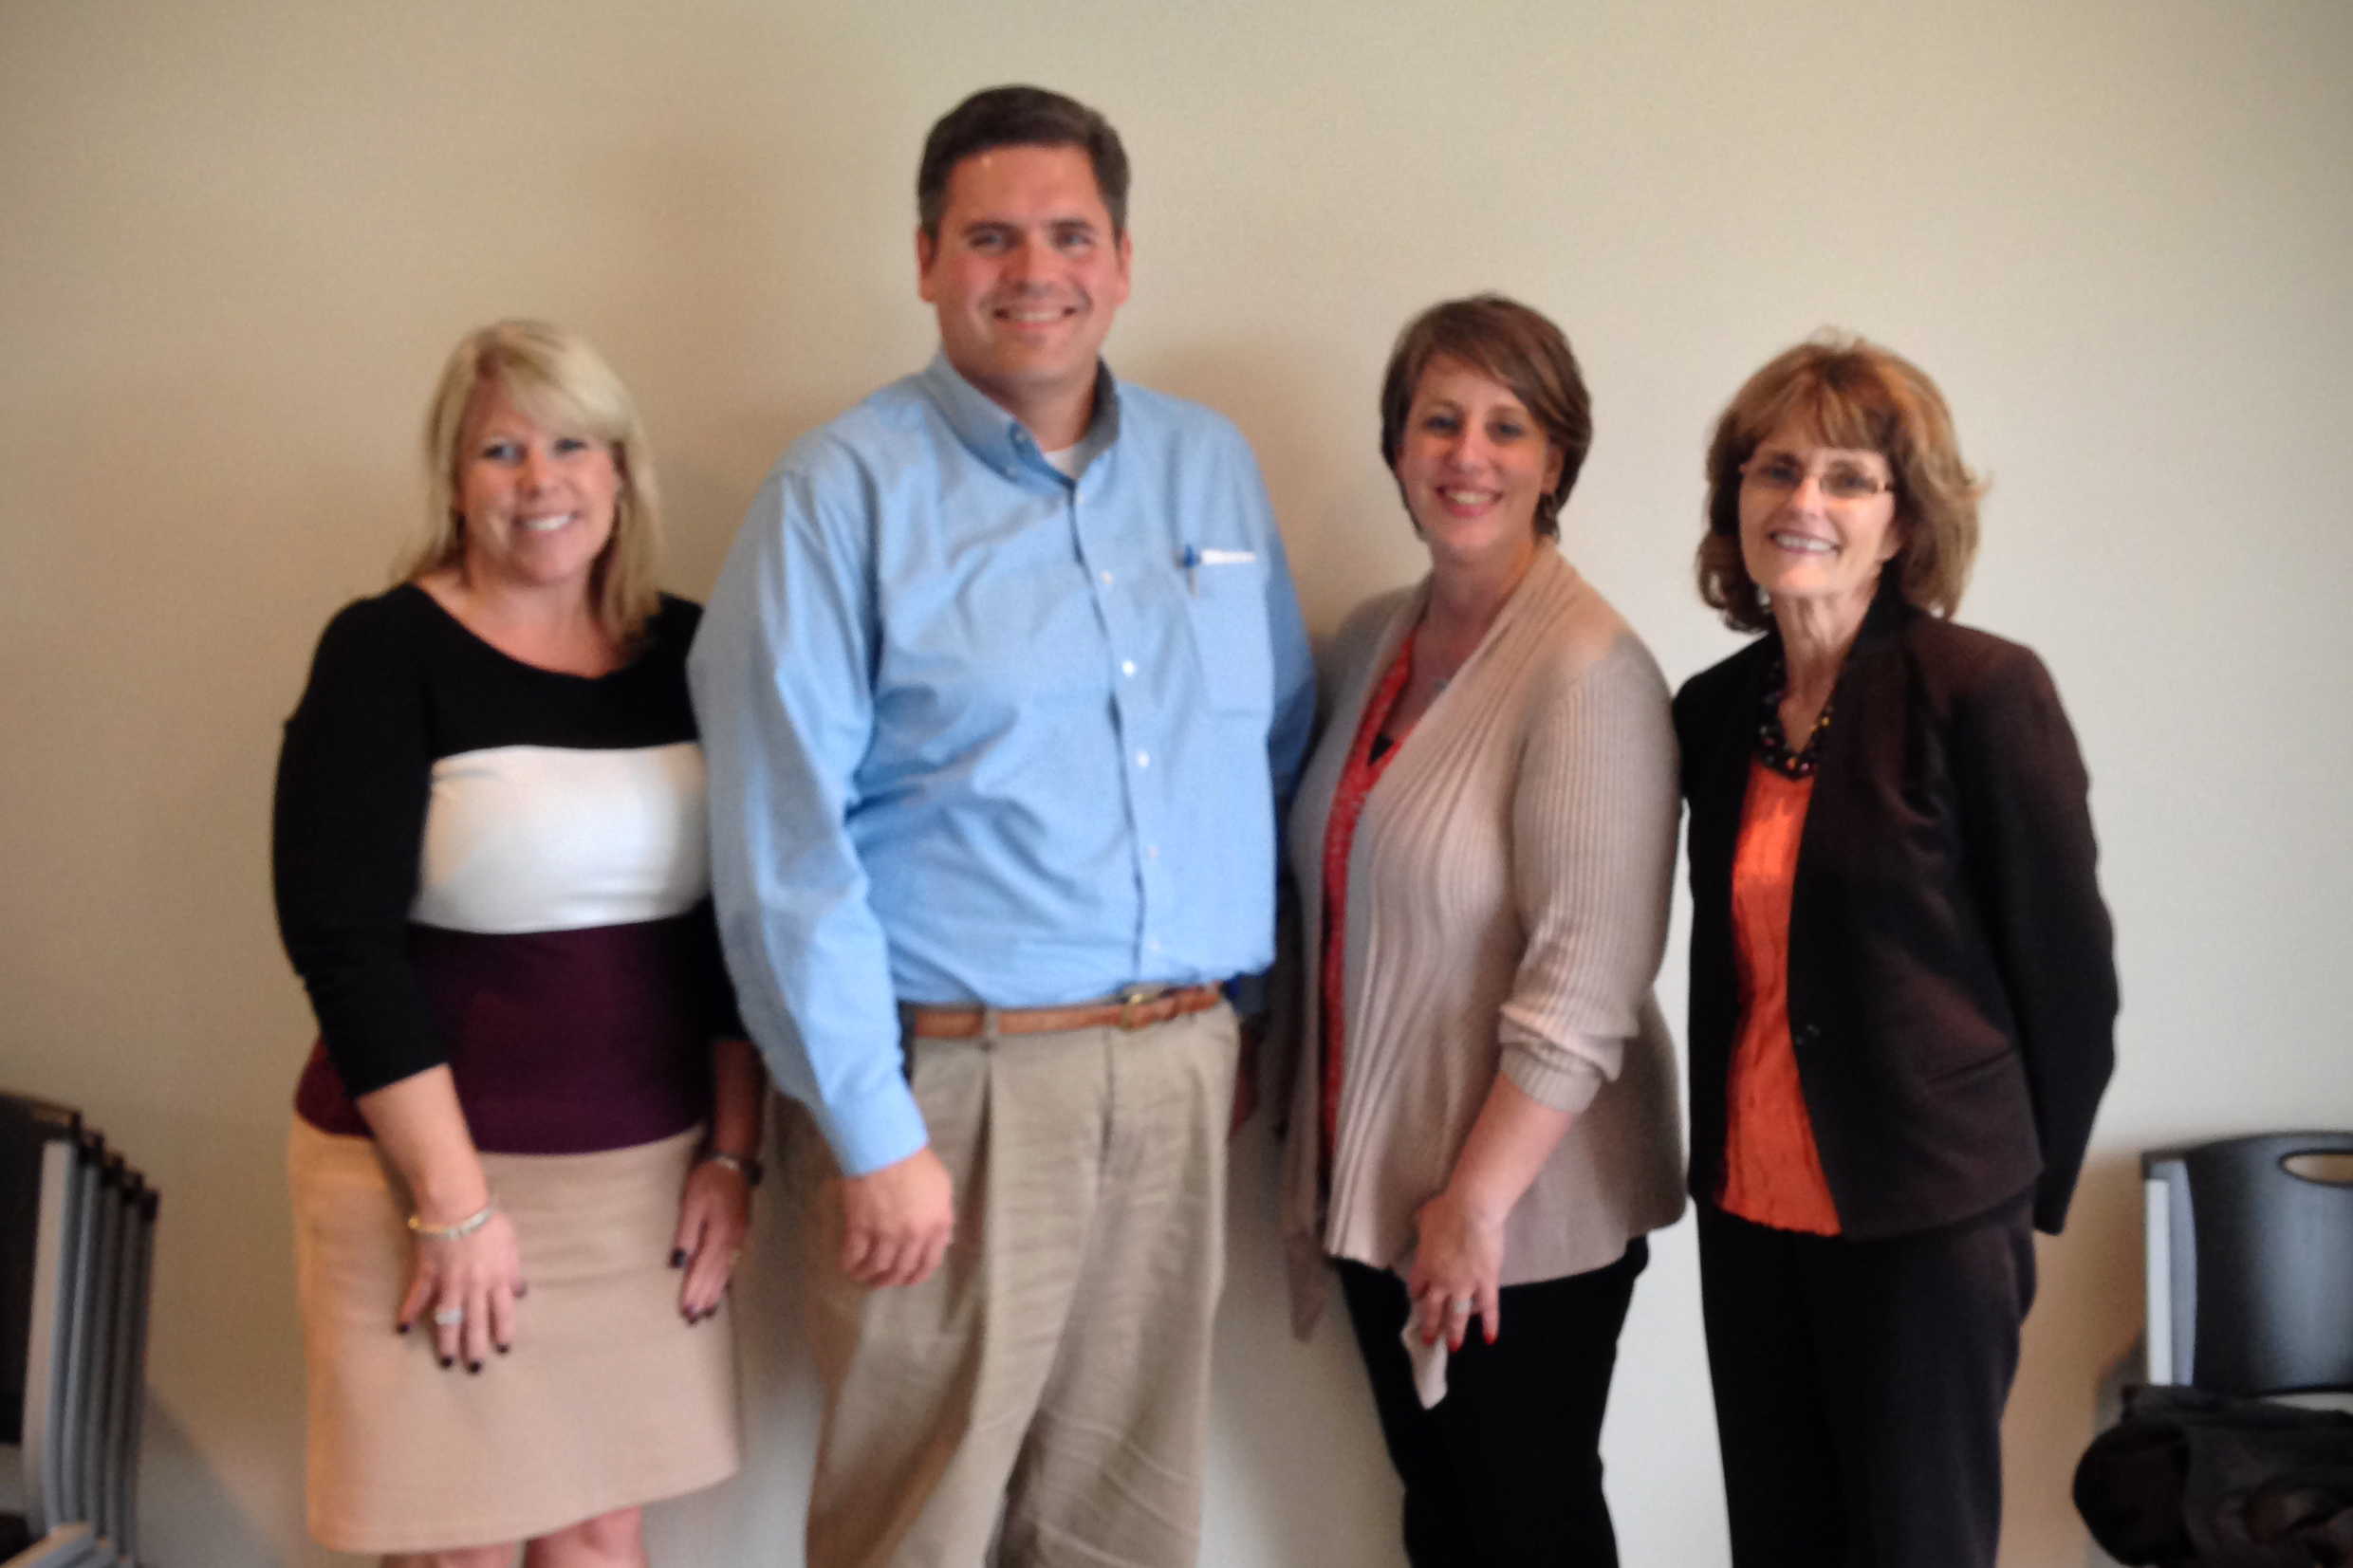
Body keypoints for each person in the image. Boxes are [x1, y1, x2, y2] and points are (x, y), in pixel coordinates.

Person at [688, 85, 1314, 1568]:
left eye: (1069, 233)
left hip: (1176, 1072)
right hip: (950, 1096)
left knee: (1124, 1520)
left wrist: (1243, 1015)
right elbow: (785, 845)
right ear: (924, 260)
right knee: (924, 1522)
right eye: (990, 237)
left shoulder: (1208, 466)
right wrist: (868, 1120)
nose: (1035, 270)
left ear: (1124, 256)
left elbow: (1267, 741)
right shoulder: (836, 492)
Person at [274, 321, 766, 1566]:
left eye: (569, 445)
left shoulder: (693, 650)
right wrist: (454, 1205)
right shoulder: (383, 651)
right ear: (454, 478)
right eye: (500, 449)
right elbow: (342, 942)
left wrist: (736, 1155)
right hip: (429, 1178)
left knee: (602, 1530)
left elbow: (736, 926)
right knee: (459, 1545)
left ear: (620, 470)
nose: (539, 481)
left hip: (644, 1178)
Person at [1674, 335, 2118, 1568]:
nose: (1802, 502)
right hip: (1749, 1207)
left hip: (1925, 1217)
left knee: (1916, 1548)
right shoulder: (1714, 713)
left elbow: (2072, 985)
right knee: (1779, 1542)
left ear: (1904, 519)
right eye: (1773, 470)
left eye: (1847, 476)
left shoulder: (1980, 691)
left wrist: (2004, 1208)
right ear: (1738, 500)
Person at [1278, 295, 1684, 1567]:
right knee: (1442, 1518)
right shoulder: (1372, 641)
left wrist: (1473, 1203)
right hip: (1383, 1186)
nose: (1469, 453)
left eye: (1509, 425)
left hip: (1522, 1216)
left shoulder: (1589, 672)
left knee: (1527, 1526)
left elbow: (1588, 979)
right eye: (1439, 420)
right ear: (1396, 446)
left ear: (1556, 458)